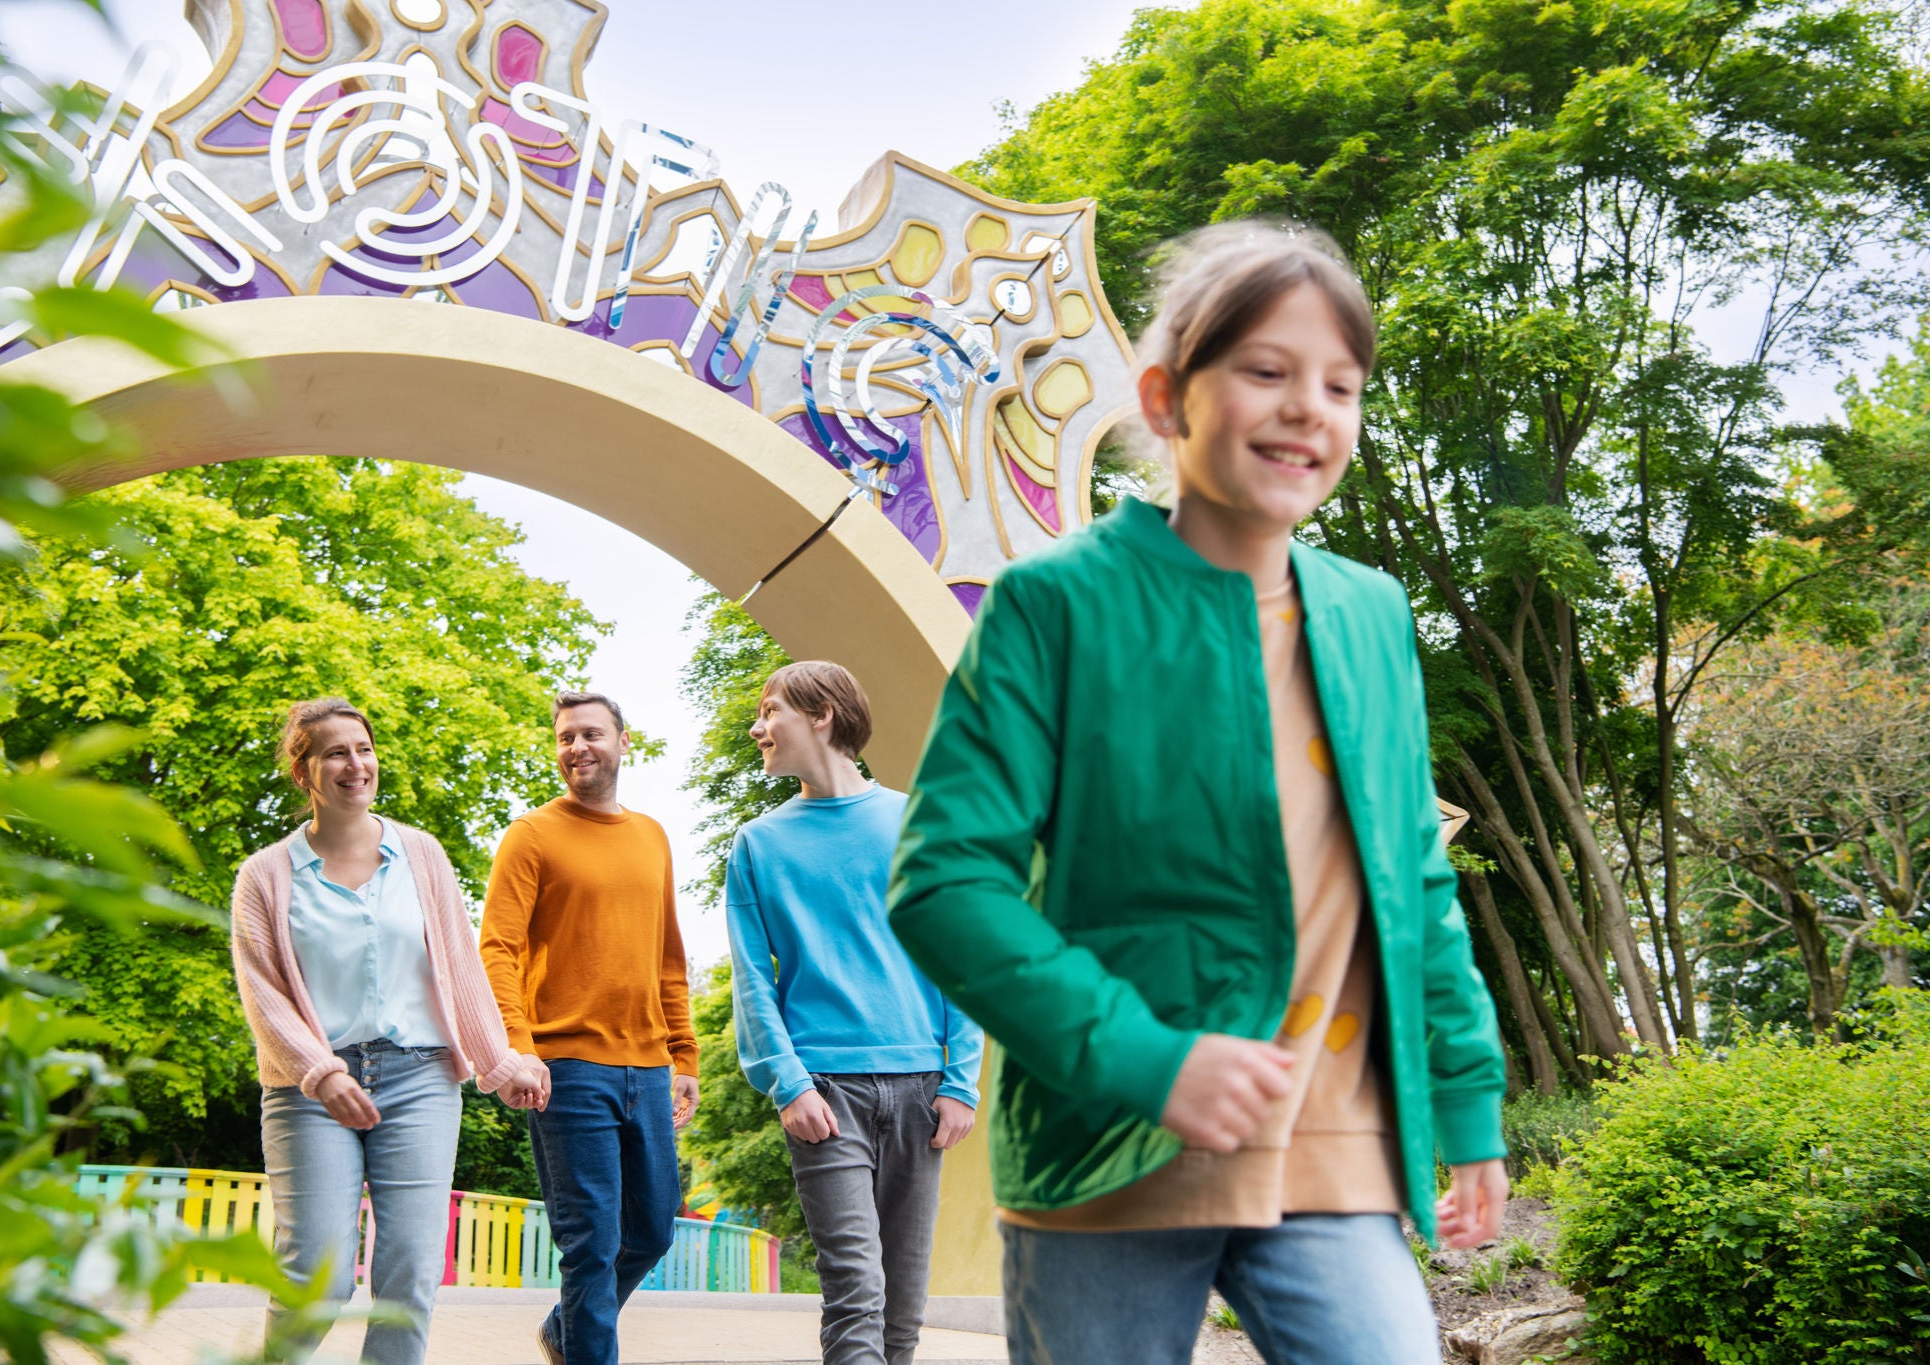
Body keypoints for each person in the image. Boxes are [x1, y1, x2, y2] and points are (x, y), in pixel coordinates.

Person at [886, 223, 1510, 1365]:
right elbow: (944, 883)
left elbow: (1413, 881)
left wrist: (1465, 1104)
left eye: (1339, 384)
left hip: (1329, 1142)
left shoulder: (1371, 614)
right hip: (1106, 1145)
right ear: (1166, 397)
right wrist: (1142, 1057)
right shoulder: (1052, 604)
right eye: (1265, 372)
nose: (1306, 407)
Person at [230, 697, 549, 1365]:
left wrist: (499, 1062)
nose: (356, 763)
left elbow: (458, 963)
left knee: (409, 1269)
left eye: (364, 748)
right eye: (336, 752)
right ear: (302, 770)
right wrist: (322, 1071)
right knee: (315, 1271)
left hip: (420, 1077)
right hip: (308, 1090)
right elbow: (265, 993)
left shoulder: (421, 854)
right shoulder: (265, 874)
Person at [725, 661, 984, 1365]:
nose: (757, 726)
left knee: (903, 1303)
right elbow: (752, 980)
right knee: (855, 1289)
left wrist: (961, 1080)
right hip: (825, 1094)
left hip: (923, 1090)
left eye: (769, 709)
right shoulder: (758, 845)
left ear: (822, 714)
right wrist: (790, 1084)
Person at [479, 690, 698, 1365]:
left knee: (654, 1229)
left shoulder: (651, 835)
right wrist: (517, 1047)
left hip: (649, 1066)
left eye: (592, 734)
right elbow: (498, 948)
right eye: (567, 736)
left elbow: (668, 954)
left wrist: (685, 1055)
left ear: (623, 742)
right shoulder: (532, 835)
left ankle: (564, 1332)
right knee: (591, 1243)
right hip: (567, 1066)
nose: (578, 746)